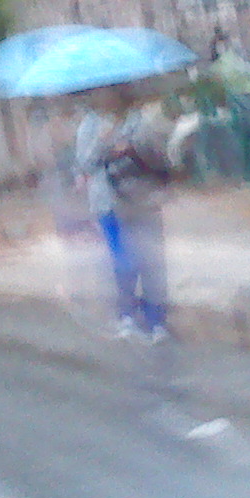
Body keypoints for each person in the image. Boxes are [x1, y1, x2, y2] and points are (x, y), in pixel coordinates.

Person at [74, 84, 176, 340]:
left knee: (151, 262)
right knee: (122, 263)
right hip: (107, 204)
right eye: (100, 93)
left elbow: (160, 157)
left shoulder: (140, 121)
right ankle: (127, 316)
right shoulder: (89, 125)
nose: (105, 97)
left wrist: (133, 146)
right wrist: (103, 142)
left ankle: (156, 321)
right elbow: (85, 164)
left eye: (110, 92)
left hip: (142, 200)